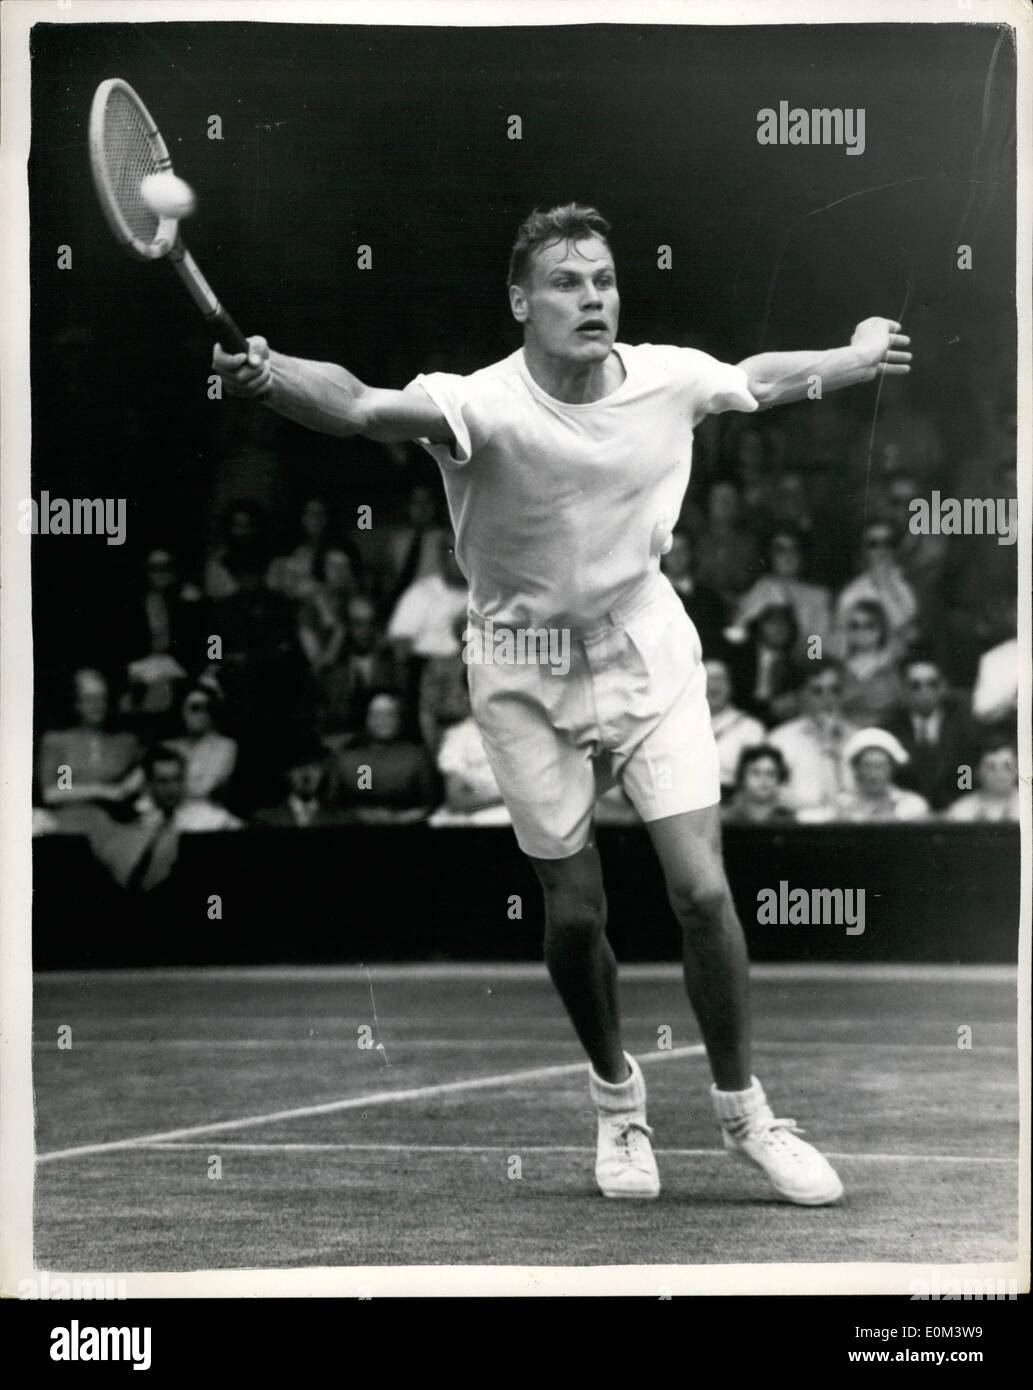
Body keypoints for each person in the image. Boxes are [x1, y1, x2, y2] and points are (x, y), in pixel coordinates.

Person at [214, 200, 912, 1205]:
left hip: (643, 643)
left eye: (603, 280)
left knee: (702, 891)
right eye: (565, 282)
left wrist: (848, 357)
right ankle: (617, 1105)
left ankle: (745, 1114)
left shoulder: (667, 377)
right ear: (519, 302)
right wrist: (271, 376)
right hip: (518, 662)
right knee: (576, 913)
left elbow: (756, 378)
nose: (592, 298)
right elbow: (362, 406)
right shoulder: (477, 403)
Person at [90, 744, 241, 894]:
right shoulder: (130, 820)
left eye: (177, 779)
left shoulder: (211, 817)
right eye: (163, 781)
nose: (173, 788)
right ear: (148, 784)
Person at [36, 668, 144, 836]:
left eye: (102, 698)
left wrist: (131, 784)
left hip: (115, 826)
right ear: (76, 702)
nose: (97, 705)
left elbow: (147, 770)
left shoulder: (124, 741)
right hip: (69, 826)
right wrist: (104, 791)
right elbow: (55, 792)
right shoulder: (59, 742)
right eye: (89, 699)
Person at [880, 655, 976, 811]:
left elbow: (967, 776)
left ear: (943, 687)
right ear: (903, 690)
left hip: (954, 812)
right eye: (915, 685)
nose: (925, 691)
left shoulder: (966, 730)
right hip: (905, 815)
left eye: (933, 684)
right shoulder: (889, 731)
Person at [332, 690, 437, 825]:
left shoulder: (417, 755)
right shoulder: (349, 756)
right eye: (376, 714)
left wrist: (404, 818)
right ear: (365, 718)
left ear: (399, 717)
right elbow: (333, 806)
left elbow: (431, 805)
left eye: (390, 714)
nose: (383, 720)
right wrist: (360, 814)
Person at [768, 659, 858, 815]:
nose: (828, 699)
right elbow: (773, 795)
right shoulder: (779, 740)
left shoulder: (858, 738)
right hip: (799, 829)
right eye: (817, 691)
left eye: (835, 690)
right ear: (800, 696)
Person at [732, 526, 832, 659]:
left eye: (794, 549)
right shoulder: (761, 587)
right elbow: (738, 632)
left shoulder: (819, 596)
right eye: (780, 550)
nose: (788, 555)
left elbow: (816, 649)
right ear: (770, 555)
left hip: (801, 665)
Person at [802, 727, 930, 823]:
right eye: (867, 766)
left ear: (892, 769)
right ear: (856, 769)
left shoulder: (912, 805)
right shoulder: (841, 807)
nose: (874, 774)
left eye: (880, 766)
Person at [167, 679, 238, 805]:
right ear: (182, 711)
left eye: (208, 708)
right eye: (195, 708)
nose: (202, 714)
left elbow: (204, 789)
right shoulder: (168, 746)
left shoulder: (225, 747)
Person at [703, 658, 765, 794]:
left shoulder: (751, 728)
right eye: (708, 679)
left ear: (730, 686)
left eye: (720, 679)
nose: (713, 686)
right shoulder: (678, 724)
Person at [838, 599, 902, 727]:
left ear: (881, 628)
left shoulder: (893, 666)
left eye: (869, 625)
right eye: (854, 625)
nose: (861, 631)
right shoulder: (837, 667)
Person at [944, 741, 1020, 823]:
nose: (1000, 773)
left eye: (1007, 766)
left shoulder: (1029, 806)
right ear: (978, 772)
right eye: (991, 767)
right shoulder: (960, 812)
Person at [722, 745, 795, 825]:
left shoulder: (787, 818)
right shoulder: (727, 818)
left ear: (779, 779)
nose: (763, 779)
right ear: (742, 777)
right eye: (756, 773)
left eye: (770, 774)